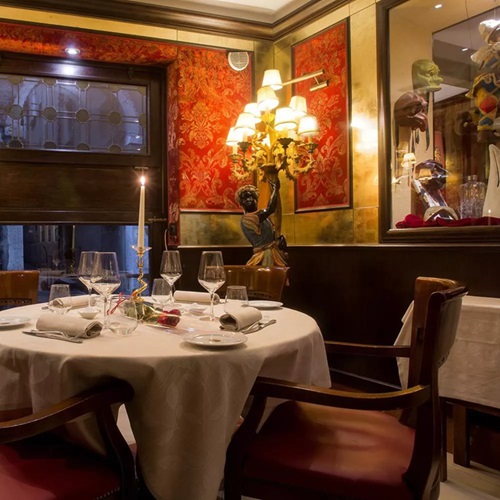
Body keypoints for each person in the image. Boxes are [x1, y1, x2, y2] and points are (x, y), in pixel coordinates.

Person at [235, 179, 288, 266]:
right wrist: (275, 189)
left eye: (250, 196)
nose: (248, 200)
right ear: (241, 203)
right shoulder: (249, 218)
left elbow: (270, 234)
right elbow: (271, 208)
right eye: (244, 198)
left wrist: (279, 239)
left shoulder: (263, 217)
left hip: (273, 251)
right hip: (264, 255)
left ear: (255, 199)